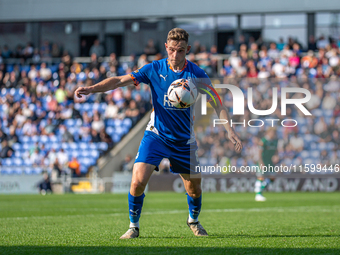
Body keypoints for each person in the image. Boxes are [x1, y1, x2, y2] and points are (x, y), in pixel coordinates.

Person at [75, 28, 242, 239]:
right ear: (166, 47)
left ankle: (194, 220)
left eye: (180, 51)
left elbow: (217, 102)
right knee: (137, 181)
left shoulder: (197, 75)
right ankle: (133, 226)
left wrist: (229, 130)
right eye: (171, 50)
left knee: (194, 189)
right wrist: (91, 89)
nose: (175, 55)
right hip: (156, 135)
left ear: (187, 50)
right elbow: (118, 80)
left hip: (183, 140)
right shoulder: (154, 69)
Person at [254, 127, 278, 202]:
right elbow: (259, 153)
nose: (273, 134)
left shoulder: (275, 141)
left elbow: (276, 151)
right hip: (263, 162)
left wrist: (276, 156)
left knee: (272, 178)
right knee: (261, 177)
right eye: (272, 132)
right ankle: (258, 194)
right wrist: (261, 163)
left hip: (270, 163)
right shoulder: (263, 141)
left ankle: (260, 188)